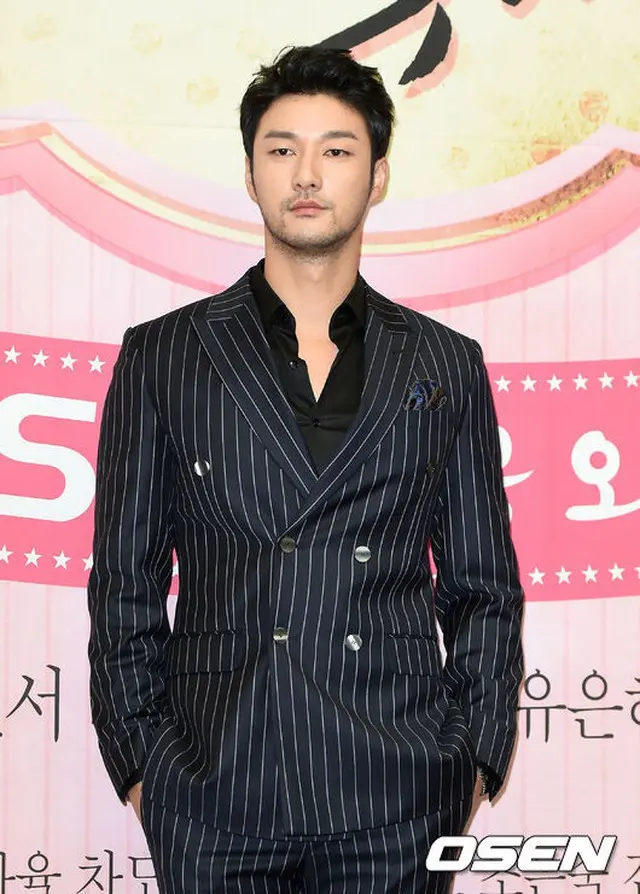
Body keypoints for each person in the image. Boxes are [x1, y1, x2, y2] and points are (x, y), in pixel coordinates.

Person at [87, 45, 524, 894]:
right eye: (282, 149)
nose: (308, 174)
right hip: (215, 791)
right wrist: (142, 765)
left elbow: (483, 585)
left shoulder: (445, 363)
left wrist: (471, 756)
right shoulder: (164, 355)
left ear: (378, 175)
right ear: (251, 174)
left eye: (337, 149)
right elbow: (125, 581)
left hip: (399, 789)